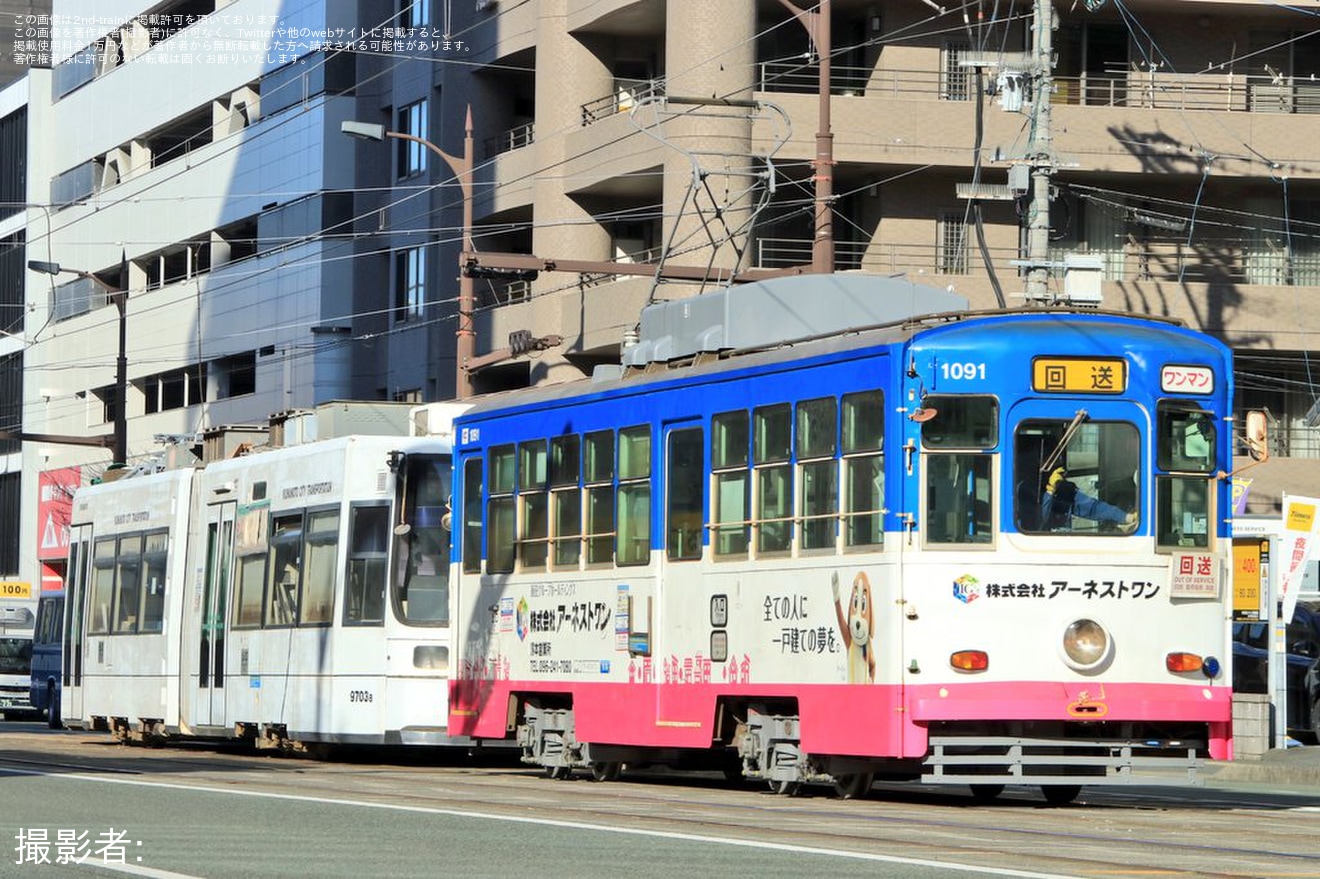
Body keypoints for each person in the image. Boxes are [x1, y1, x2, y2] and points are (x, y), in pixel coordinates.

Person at [1041, 466, 1137, 533]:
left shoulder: (1067, 494)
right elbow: (1041, 523)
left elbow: (1095, 509)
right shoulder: (1036, 503)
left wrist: (1126, 517)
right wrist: (1050, 491)